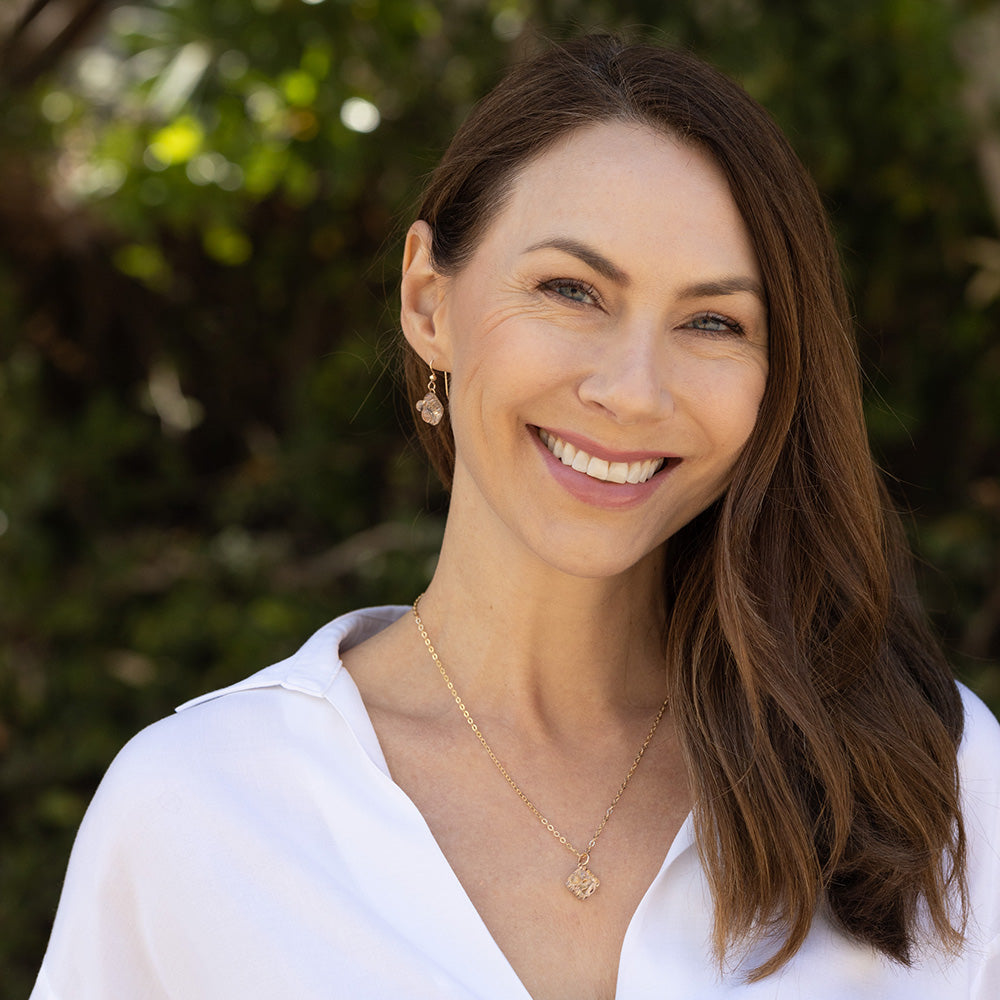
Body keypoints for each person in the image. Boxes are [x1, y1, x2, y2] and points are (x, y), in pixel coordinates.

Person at [31, 33, 999, 1000]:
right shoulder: (199, 807)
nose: (631, 390)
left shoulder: (936, 782)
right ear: (427, 301)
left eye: (712, 322)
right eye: (570, 291)